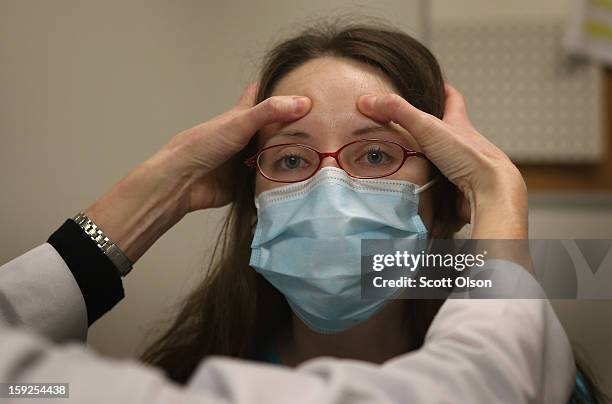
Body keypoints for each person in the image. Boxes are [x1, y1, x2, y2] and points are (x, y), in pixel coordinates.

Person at [0, 20, 594, 403]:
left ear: (444, 194)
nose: (331, 189)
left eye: (376, 153)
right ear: (252, 204)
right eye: (289, 160)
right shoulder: (175, 381)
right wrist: (500, 207)